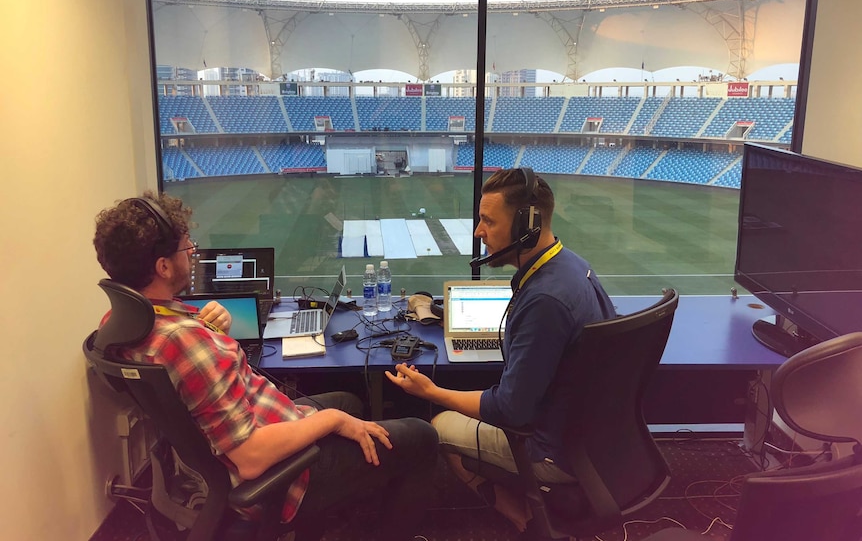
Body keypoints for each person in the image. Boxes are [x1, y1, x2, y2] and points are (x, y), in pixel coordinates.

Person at [93, 191, 438, 541]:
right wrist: (331, 421)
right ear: (163, 267)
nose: (193, 253)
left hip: (239, 436)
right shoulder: (186, 343)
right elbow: (251, 458)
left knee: (349, 402)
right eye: (187, 248)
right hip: (279, 478)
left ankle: (338, 511)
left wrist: (217, 332)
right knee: (422, 436)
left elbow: (200, 385)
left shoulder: (123, 324)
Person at [386, 168, 617, 532]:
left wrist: (431, 392)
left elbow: (511, 410)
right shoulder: (571, 265)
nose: (479, 232)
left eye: (488, 221)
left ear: (526, 226)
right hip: (589, 437)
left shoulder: (543, 301)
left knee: (437, 426)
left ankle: (523, 519)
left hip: (551, 450)